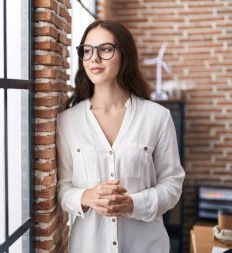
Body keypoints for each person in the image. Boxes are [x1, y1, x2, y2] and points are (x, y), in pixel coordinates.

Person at [56, 20, 185, 253]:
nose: (94, 58)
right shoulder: (67, 122)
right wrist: (88, 196)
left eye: (105, 49)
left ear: (124, 55)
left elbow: (172, 186)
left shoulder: (157, 117)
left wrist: (132, 204)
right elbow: (63, 189)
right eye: (87, 50)